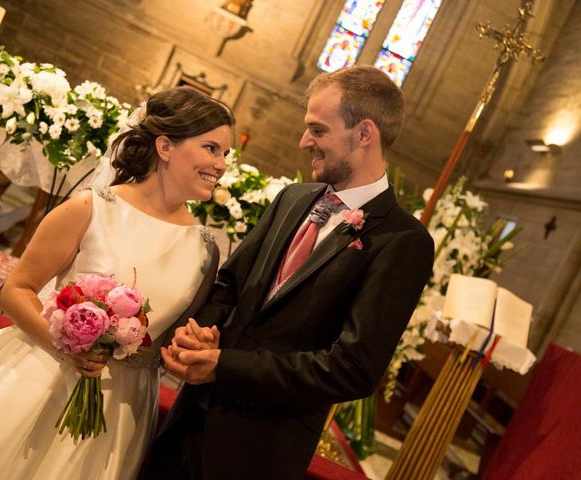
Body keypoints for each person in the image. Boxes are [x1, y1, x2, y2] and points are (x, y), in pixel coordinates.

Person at [151, 65, 435, 480]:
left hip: (259, 451)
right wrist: (203, 331)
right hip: (190, 420)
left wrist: (225, 368)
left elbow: (352, 369)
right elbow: (231, 285)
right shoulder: (293, 197)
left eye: (318, 130)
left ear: (364, 134)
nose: (305, 142)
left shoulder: (402, 241)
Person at [0, 86, 233, 480]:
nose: (221, 164)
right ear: (165, 147)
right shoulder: (91, 208)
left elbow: (169, 341)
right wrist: (66, 343)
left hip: (121, 408)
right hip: (42, 379)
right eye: (211, 148)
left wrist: (193, 348)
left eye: (225, 154)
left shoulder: (204, 249)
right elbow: (17, 290)